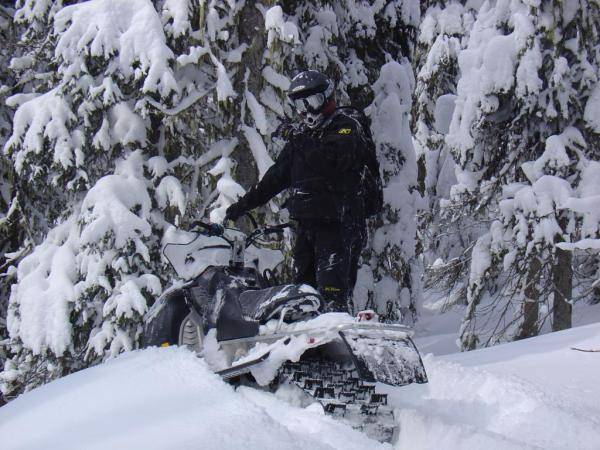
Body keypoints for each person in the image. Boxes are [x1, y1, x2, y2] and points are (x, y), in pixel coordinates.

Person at [224, 70, 382, 312]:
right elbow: (275, 179)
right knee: (302, 295)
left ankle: (336, 338)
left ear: (327, 98)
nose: (308, 111)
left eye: (313, 102)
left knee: (332, 294)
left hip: (340, 224)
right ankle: (306, 346)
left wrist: (298, 137)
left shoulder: (348, 126)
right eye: (301, 104)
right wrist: (241, 206)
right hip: (307, 226)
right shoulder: (303, 138)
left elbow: (332, 163)